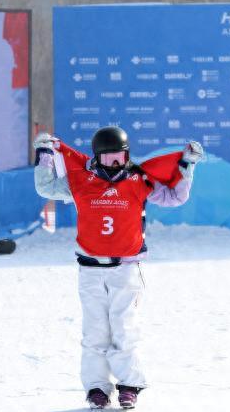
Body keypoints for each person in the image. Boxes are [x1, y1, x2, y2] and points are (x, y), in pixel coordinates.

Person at [33, 126, 203, 409]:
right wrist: (44, 154)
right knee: (95, 332)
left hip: (125, 269)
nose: (116, 164)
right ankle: (97, 388)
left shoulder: (139, 179)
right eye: (110, 158)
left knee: (124, 328)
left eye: (121, 157)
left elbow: (175, 197)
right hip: (90, 269)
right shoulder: (80, 180)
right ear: (97, 158)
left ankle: (129, 384)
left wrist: (187, 165)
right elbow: (45, 187)